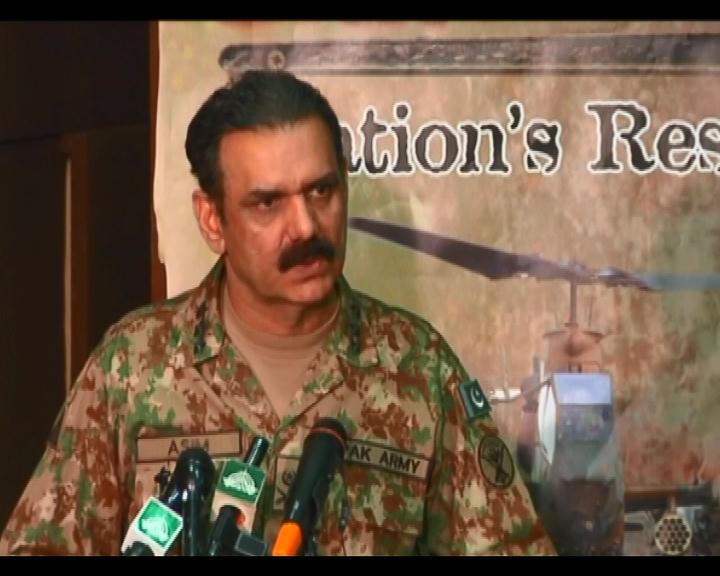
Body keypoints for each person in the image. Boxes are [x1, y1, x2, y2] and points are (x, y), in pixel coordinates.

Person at [0, 69, 555, 556]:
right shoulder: (133, 366)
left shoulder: (419, 370)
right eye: (268, 203)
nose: (307, 227)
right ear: (213, 220)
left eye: (321, 191)